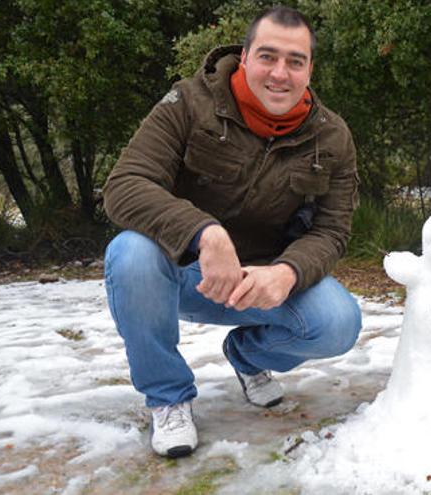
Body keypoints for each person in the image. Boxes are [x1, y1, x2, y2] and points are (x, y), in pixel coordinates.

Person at [102, 5, 362, 458]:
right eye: (267, 56)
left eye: (295, 61)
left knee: (339, 322)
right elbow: (124, 186)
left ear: (309, 69)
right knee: (131, 252)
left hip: (264, 286)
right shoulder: (187, 102)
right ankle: (169, 398)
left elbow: (332, 231)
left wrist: (287, 273)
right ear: (244, 56)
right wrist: (204, 233)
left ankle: (247, 357)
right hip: (184, 275)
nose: (279, 73)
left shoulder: (333, 136)